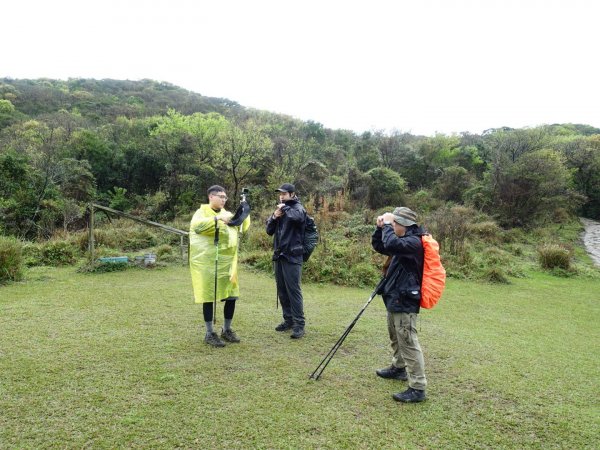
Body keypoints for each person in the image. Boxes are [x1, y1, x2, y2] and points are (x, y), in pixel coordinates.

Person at [371, 207, 428, 403]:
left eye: (394, 223)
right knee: (395, 335)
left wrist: (387, 224)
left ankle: (418, 387)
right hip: (395, 295)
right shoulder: (402, 240)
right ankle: (398, 368)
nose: (392, 226)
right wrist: (381, 228)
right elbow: (381, 245)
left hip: (405, 299)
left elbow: (392, 244)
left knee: (408, 341)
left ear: (403, 225)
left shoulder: (413, 242)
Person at [189, 185, 250, 347]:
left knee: (232, 296)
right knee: (209, 296)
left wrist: (244, 211)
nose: (223, 199)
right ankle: (209, 333)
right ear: (211, 197)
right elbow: (198, 227)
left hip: (228, 264)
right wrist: (215, 220)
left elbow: (242, 225)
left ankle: (227, 329)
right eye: (220, 196)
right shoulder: (201, 213)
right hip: (208, 263)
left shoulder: (227, 214)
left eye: (225, 197)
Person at [266, 183, 307, 339]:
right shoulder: (281, 210)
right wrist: (274, 217)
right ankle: (288, 320)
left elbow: (297, 217)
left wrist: (284, 209)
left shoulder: (298, 208)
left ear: (292, 194)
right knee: (282, 291)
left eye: (284, 194)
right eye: (280, 194)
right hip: (279, 255)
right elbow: (269, 231)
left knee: (293, 291)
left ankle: (299, 325)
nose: (281, 196)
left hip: (293, 256)